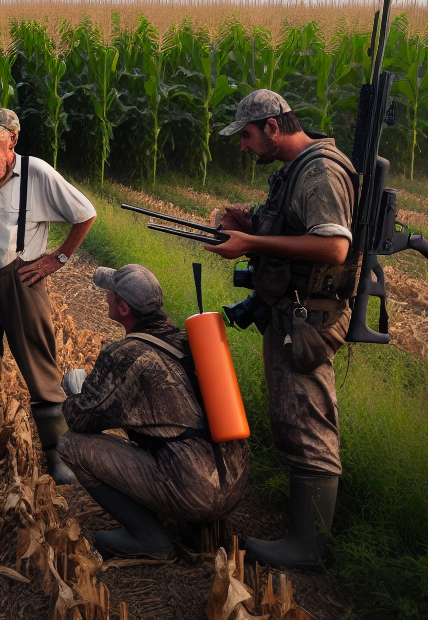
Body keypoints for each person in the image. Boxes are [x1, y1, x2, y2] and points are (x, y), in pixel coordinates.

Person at [206, 89, 358, 568]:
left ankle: (309, 547)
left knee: (308, 421)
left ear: (273, 126)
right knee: (293, 419)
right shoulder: (295, 170)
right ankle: (301, 534)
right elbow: (294, 227)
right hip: (291, 313)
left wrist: (250, 239)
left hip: (308, 320)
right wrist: (247, 222)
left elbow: (334, 247)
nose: (244, 146)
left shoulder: (320, 171)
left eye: (248, 136)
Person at [58, 264, 250, 559]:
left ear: (123, 308)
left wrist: (75, 391)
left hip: (194, 487)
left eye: (110, 293)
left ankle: (146, 536)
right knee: (174, 435)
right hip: (234, 485)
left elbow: (81, 418)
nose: (106, 296)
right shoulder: (192, 340)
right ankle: (199, 528)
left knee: (71, 444)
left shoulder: (125, 354)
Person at [0, 107, 96, 484]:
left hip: (23, 280)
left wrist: (57, 259)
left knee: (39, 365)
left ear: (12, 139)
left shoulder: (37, 172)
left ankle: (58, 452)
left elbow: (85, 213)